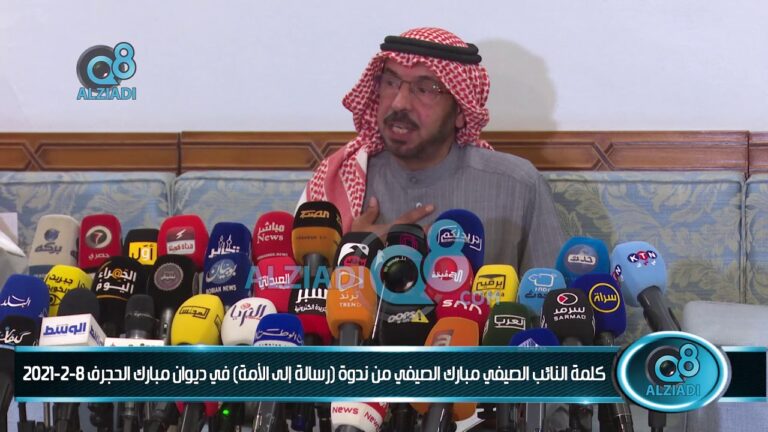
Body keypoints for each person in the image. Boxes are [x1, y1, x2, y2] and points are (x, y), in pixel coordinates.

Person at [300, 26, 564, 280]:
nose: (399, 103)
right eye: (390, 82)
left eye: (425, 89)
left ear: (460, 111)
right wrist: (353, 251)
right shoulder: (339, 182)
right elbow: (299, 296)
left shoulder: (516, 185)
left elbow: (551, 294)